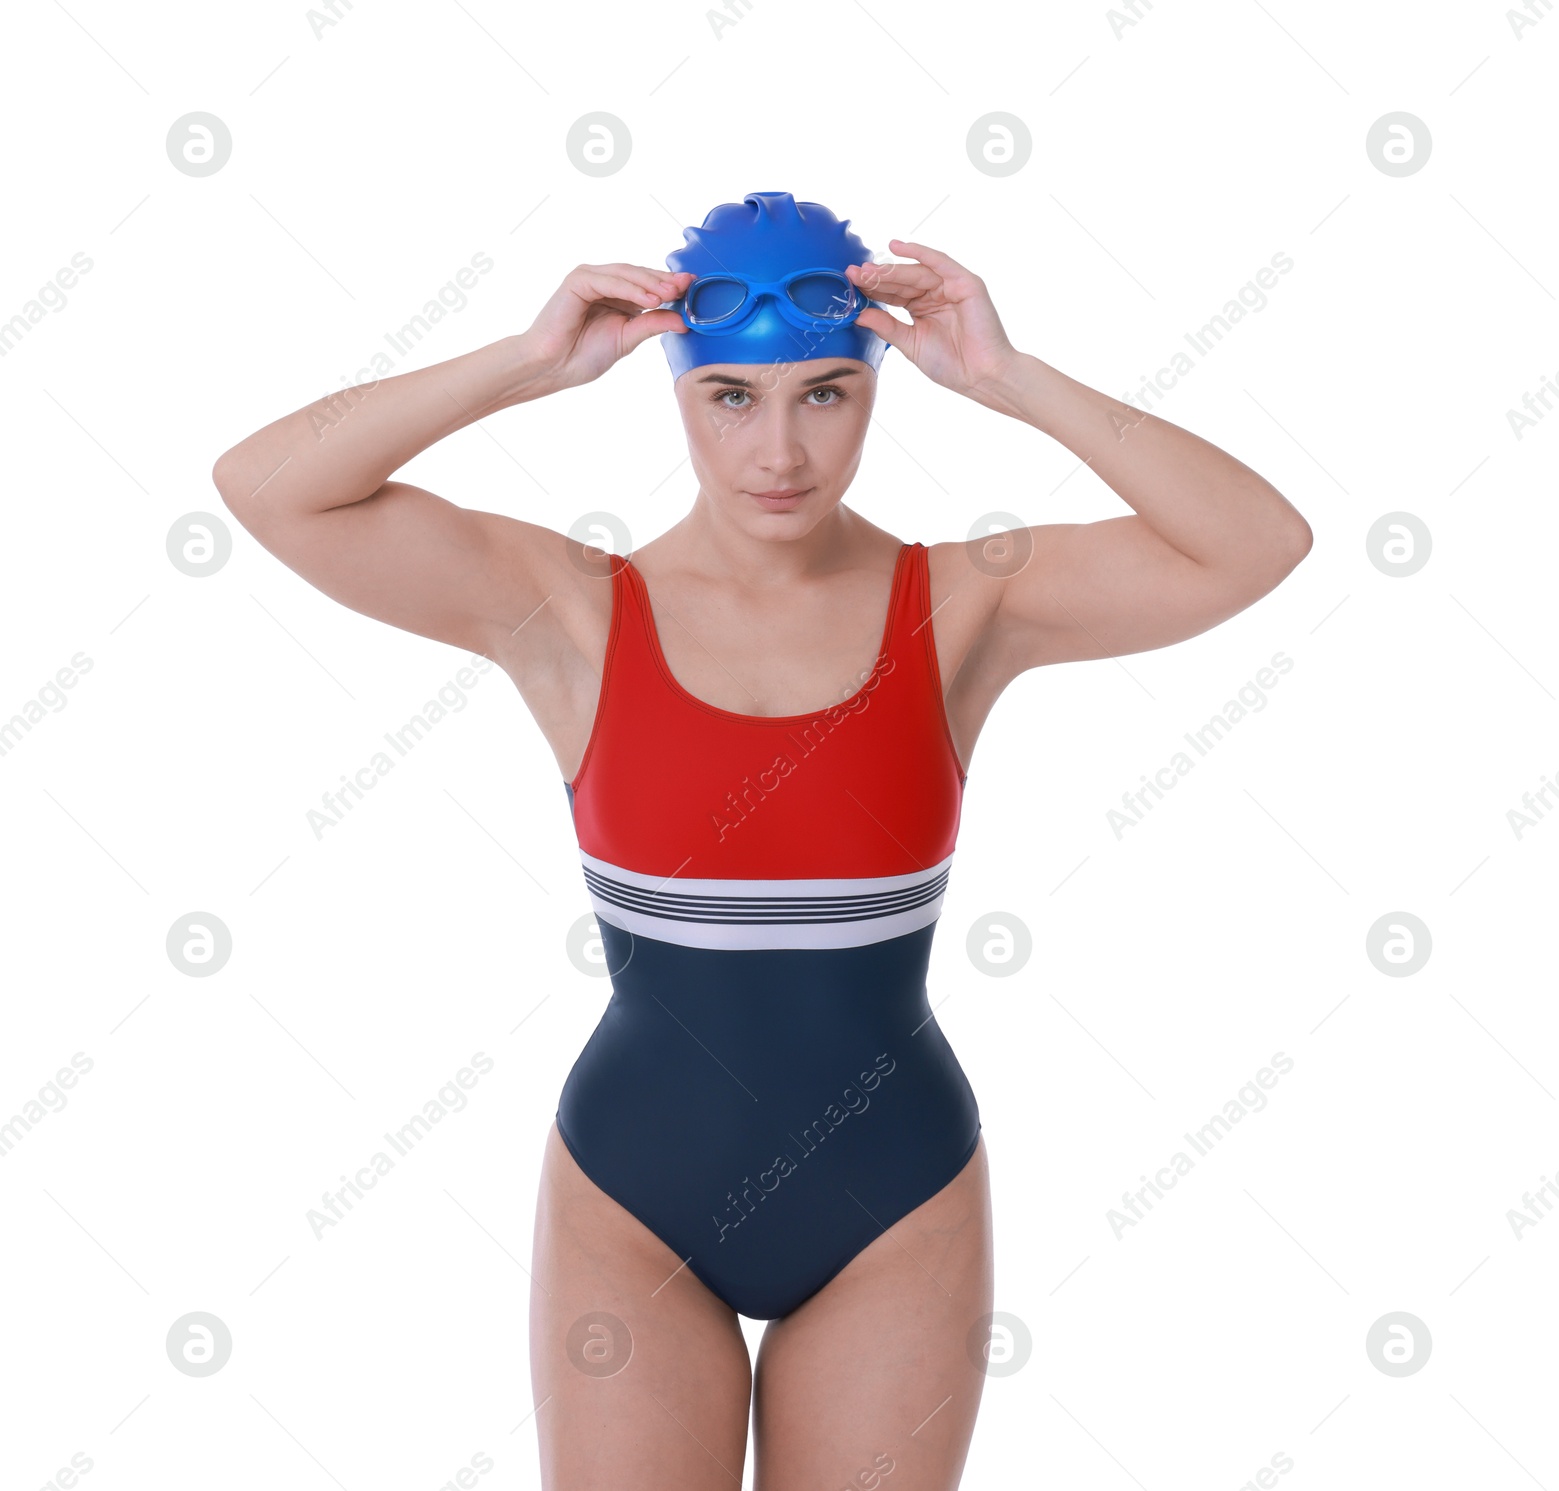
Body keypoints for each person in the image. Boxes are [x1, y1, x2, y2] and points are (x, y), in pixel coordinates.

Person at [213, 189, 1312, 1488]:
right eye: (731, 397)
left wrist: (1014, 380)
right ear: (673, 387)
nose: (778, 450)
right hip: (634, 1197)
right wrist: (524, 362)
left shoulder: (961, 605)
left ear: (876, 386)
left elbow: (1258, 543)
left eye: (826, 395)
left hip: (892, 1203)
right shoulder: (569, 611)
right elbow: (270, 487)